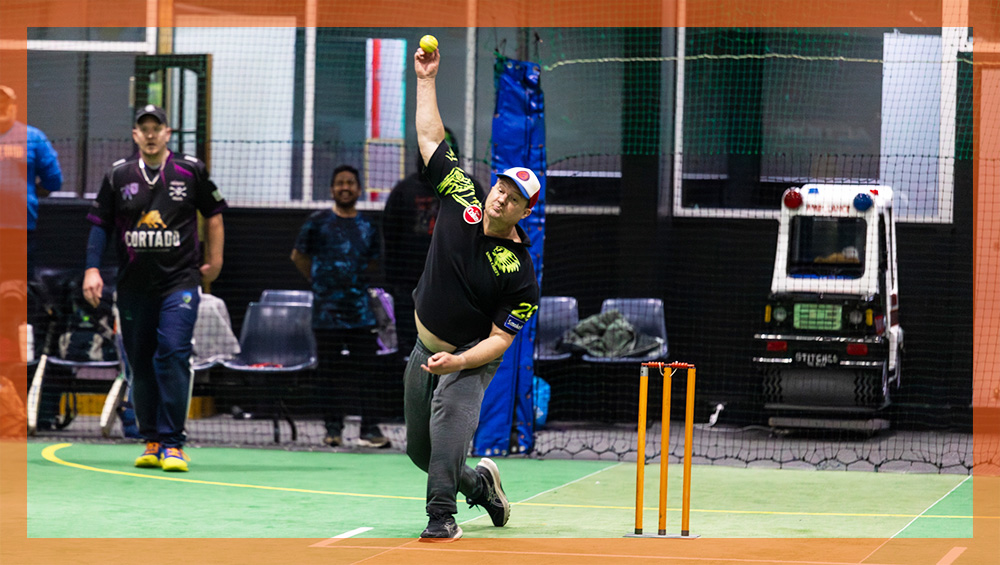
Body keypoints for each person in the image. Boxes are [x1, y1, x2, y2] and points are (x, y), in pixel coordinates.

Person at [406, 44, 541, 541]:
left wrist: (459, 362)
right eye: (501, 188)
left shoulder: (520, 272)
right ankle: (482, 486)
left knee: (444, 443)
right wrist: (426, 79)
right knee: (420, 452)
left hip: (469, 359)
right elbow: (430, 138)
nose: (501, 197)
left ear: (525, 213)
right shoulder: (460, 194)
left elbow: (500, 340)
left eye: (514, 198)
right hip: (423, 348)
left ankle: (441, 518)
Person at [82, 104, 226, 472]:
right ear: (135, 135)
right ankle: (152, 440)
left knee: (173, 352)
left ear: (167, 133)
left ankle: (174, 443)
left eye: (156, 128)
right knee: (140, 362)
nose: (150, 134)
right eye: (143, 128)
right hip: (134, 286)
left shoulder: (190, 171)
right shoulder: (118, 175)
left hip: (180, 282)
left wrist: (215, 260)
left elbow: (213, 214)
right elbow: (100, 225)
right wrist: (92, 269)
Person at [291, 164, 390, 449]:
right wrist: (319, 280)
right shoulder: (317, 222)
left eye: (350, 183)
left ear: (359, 190)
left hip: (361, 312)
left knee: (368, 372)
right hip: (326, 313)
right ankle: (332, 429)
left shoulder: (368, 226)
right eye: (340, 183)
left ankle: (370, 430)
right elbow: (298, 256)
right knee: (328, 373)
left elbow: (374, 261)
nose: (345, 188)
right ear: (332, 189)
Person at [383, 128, 482, 356]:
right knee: (411, 350)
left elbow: (481, 238)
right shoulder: (404, 191)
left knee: (450, 350)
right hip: (410, 286)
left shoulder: (470, 189)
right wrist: (394, 283)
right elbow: (390, 237)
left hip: (455, 287)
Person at [0, 85, 63, 280]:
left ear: (14, 107)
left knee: (17, 283)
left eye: (4, 103)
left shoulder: (33, 138)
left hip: (19, 228)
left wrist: (28, 194)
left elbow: (53, 180)